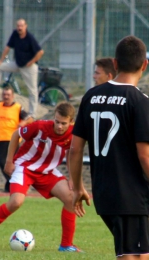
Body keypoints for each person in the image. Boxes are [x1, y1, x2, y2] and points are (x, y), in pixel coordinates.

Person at [69, 35, 149, 259]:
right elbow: (145, 157)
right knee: (136, 255)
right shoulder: (140, 102)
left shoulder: (91, 96)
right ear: (144, 65)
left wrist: (77, 187)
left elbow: (74, 150)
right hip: (131, 196)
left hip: (105, 193)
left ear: (114, 64)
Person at [0, 101, 83, 253]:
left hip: (47, 171)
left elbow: (72, 154)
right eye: (57, 121)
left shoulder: (74, 134)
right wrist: (9, 161)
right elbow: (16, 134)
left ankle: (66, 245)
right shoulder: (40, 127)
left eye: (64, 123)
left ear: (71, 122)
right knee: (16, 202)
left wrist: (72, 178)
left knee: (71, 199)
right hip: (25, 167)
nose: (59, 126)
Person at [0, 18, 44, 119]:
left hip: (29, 67)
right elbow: (7, 47)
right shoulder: (15, 34)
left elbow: (40, 52)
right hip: (18, 64)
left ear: (25, 26)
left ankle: (32, 114)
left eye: (21, 26)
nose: (19, 28)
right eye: (18, 26)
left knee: (32, 91)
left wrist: (31, 62)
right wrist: (0, 60)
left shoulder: (29, 37)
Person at [0, 86, 33, 192]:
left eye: (8, 95)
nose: (6, 97)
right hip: (1, 138)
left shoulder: (17, 107)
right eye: (4, 94)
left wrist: (23, 123)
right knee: (1, 162)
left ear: (13, 96)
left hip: (13, 139)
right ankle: (12, 183)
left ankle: (13, 184)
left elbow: (30, 119)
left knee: (12, 163)